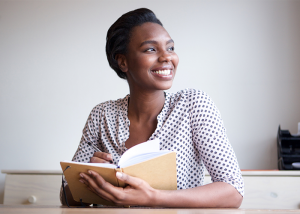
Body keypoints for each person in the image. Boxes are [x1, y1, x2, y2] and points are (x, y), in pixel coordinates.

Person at [60, 8, 244, 208]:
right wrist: (88, 178)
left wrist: (152, 197)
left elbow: (233, 191)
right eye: (151, 49)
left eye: (171, 48)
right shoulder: (101, 115)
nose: (167, 57)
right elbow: (67, 196)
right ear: (123, 61)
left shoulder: (193, 105)